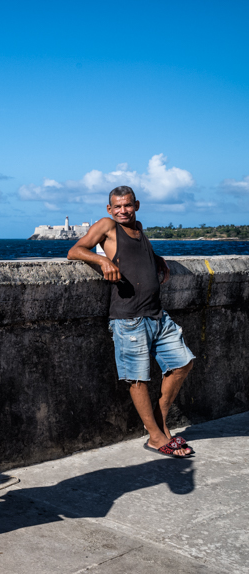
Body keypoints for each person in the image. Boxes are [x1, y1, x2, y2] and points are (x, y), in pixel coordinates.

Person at [67, 186, 195, 458]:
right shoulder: (107, 226)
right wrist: (102, 261)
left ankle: (160, 422)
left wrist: (157, 259)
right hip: (129, 318)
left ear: (136, 204)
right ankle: (156, 437)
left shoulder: (138, 228)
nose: (123, 210)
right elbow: (75, 250)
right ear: (109, 209)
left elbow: (137, 258)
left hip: (157, 314)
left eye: (128, 205)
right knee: (138, 378)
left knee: (183, 362)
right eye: (118, 206)